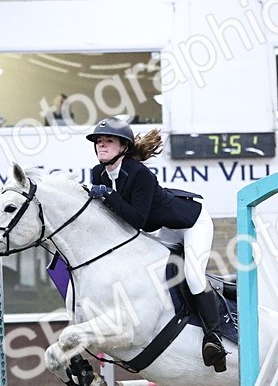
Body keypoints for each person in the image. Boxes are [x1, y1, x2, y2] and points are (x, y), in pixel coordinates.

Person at [86, 117, 226, 371]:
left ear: (123, 148)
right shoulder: (98, 174)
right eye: (98, 141)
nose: (101, 145)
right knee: (153, 274)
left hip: (191, 223)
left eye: (108, 141)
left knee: (193, 275)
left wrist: (108, 195)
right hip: (166, 229)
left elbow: (137, 220)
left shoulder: (140, 174)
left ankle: (213, 338)